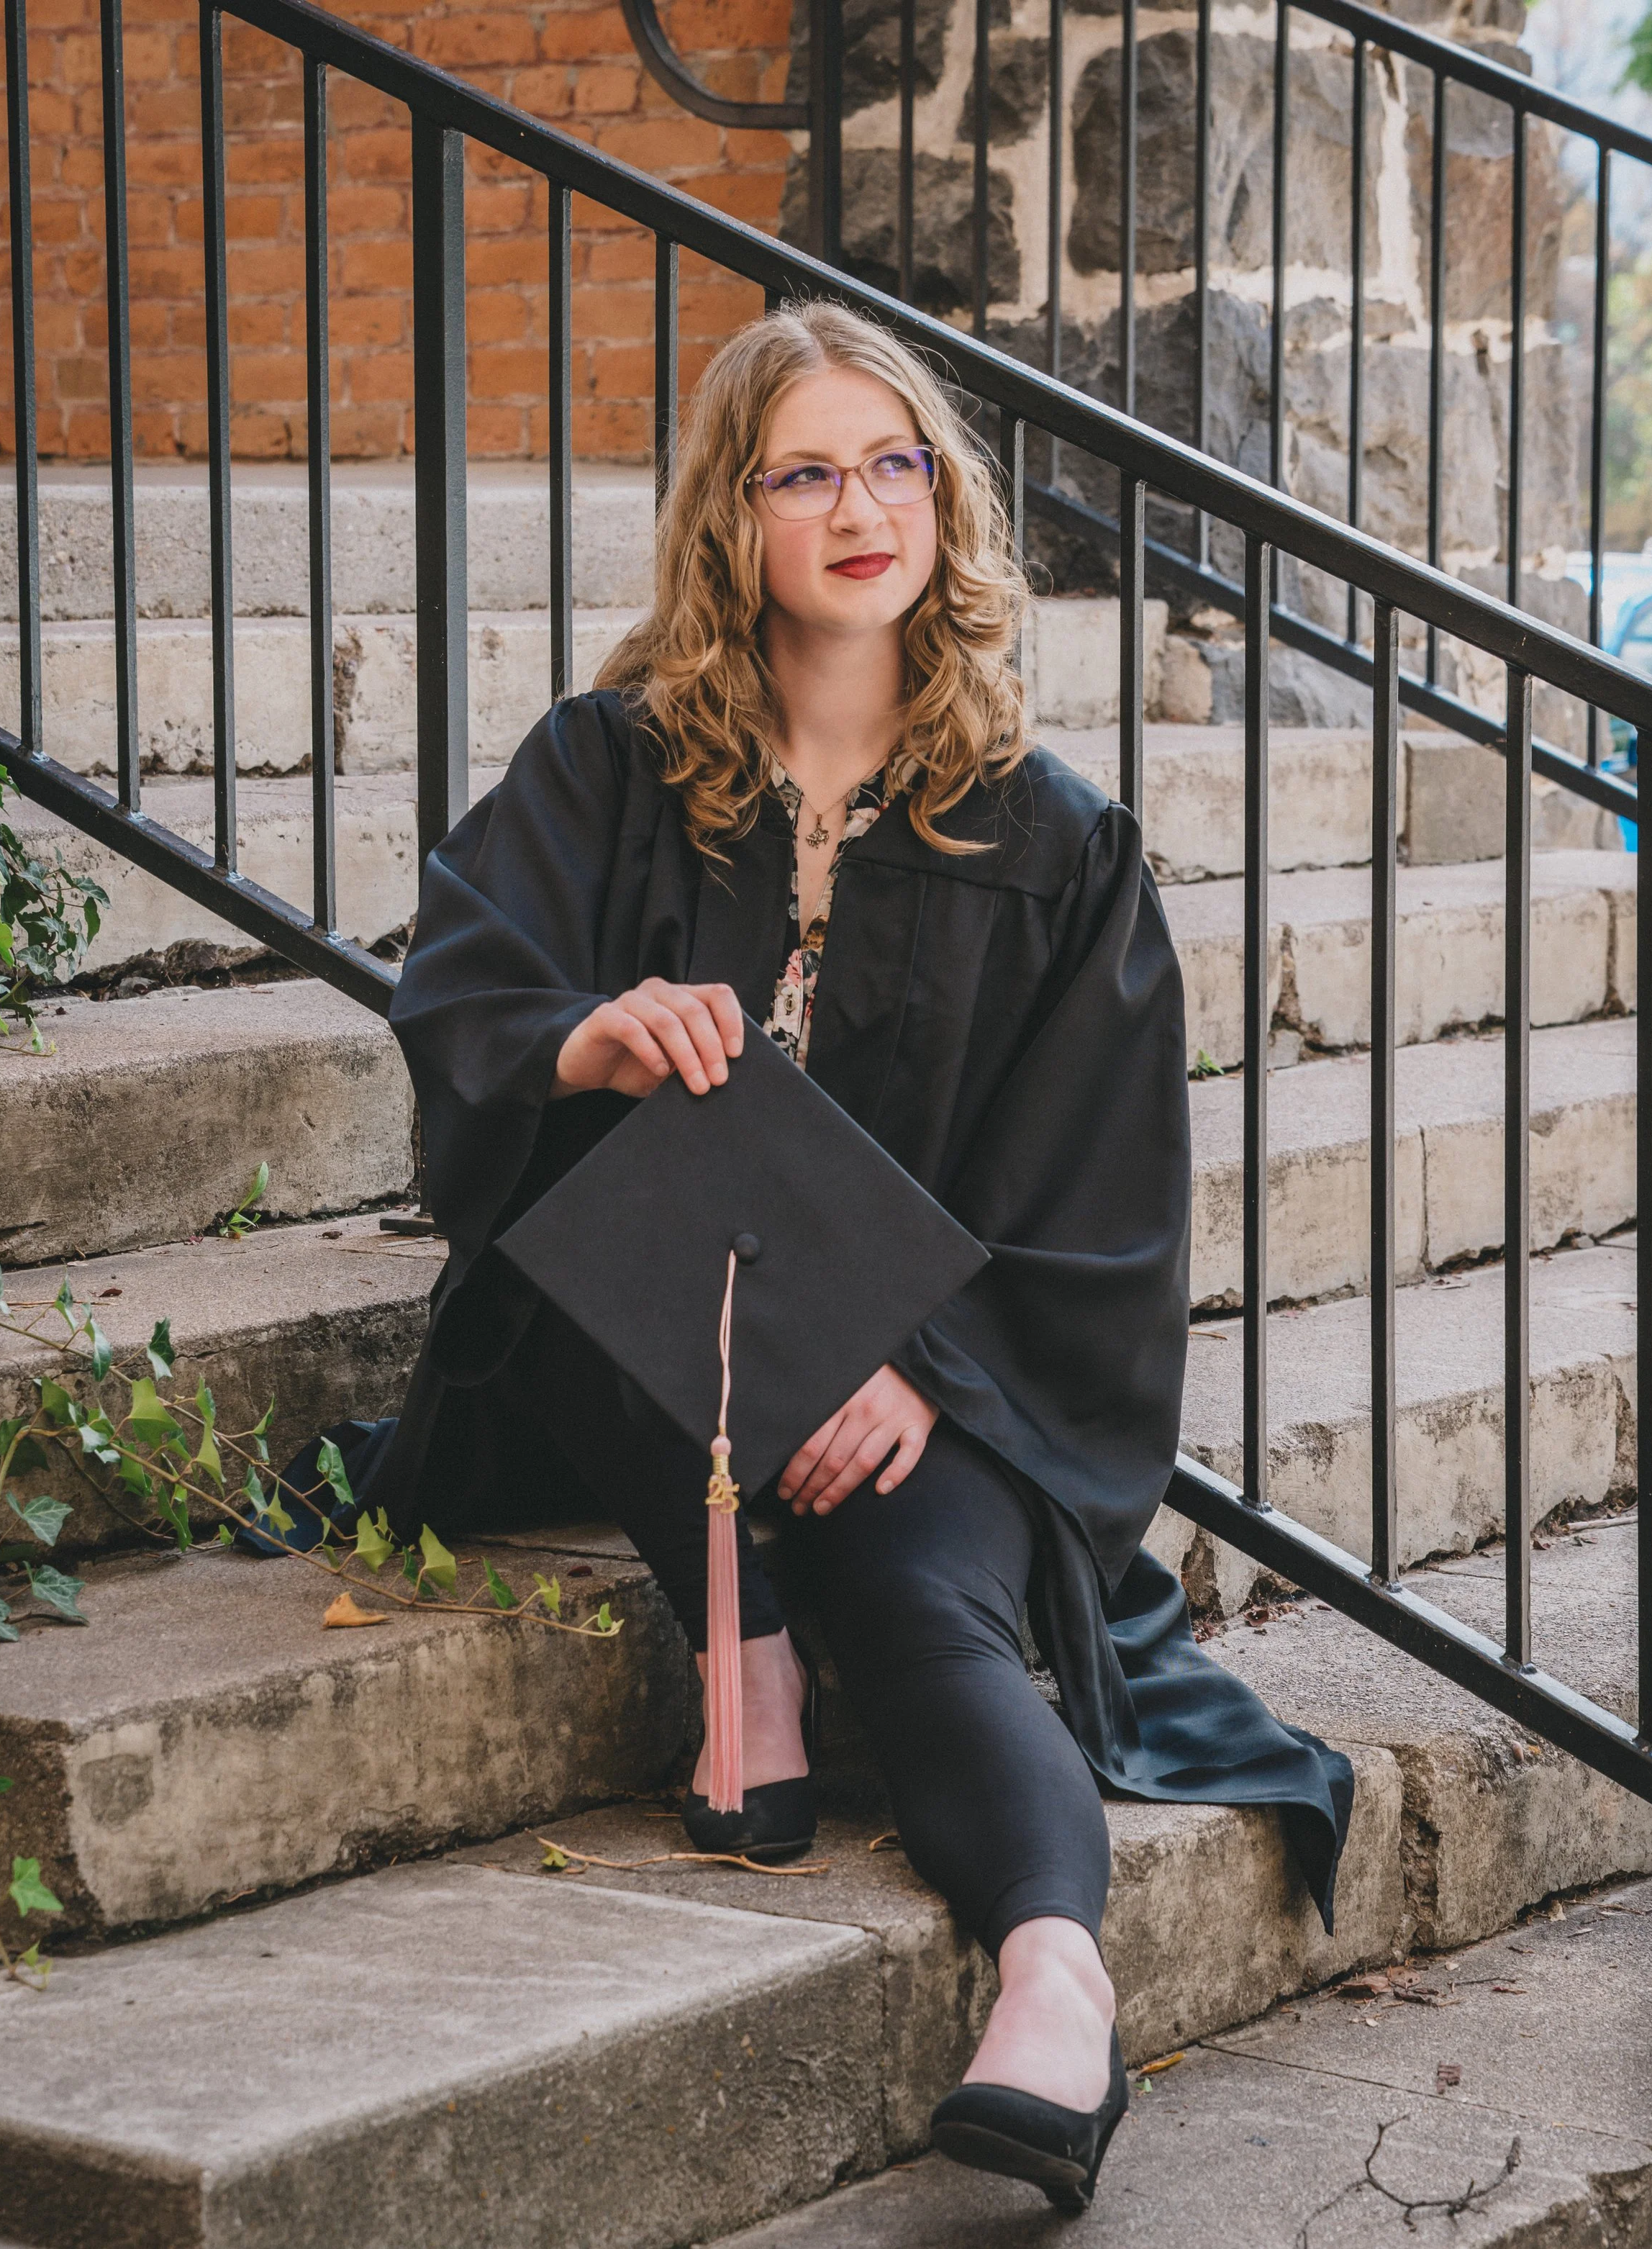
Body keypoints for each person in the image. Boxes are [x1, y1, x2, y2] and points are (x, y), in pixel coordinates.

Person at [362, 301, 1352, 2210]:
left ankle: (1054, 1982)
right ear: (733, 522)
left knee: (919, 1593)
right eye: (800, 471)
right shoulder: (612, 767)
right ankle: (741, 1652)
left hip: (932, 1377)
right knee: (604, 1183)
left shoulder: (1051, 847)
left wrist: (923, 1361)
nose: (854, 505)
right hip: (647, 1356)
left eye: (891, 461)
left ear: (944, 503)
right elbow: (469, 981)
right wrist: (588, 1032)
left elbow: (1096, 1194)